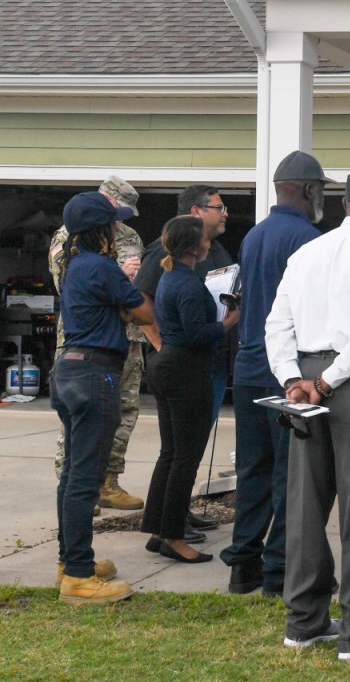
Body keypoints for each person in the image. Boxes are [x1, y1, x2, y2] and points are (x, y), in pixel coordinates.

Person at [265, 166, 350, 662]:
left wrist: (293, 380)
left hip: (304, 379)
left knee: (305, 504)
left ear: (344, 201)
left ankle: (303, 622)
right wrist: (325, 382)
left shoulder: (307, 252)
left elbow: (276, 325)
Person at [221, 151, 332, 597]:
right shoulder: (309, 238)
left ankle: (242, 564)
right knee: (292, 475)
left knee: (253, 470)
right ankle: (278, 572)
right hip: (287, 372)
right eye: (321, 190)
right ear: (309, 190)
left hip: (248, 367)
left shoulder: (254, 236)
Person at [51, 191, 154, 604]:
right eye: (113, 223)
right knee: (86, 481)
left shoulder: (74, 264)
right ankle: (77, 577)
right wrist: (130, 295)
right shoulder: (102, 266)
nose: (118, 229)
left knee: (73, 475)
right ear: (101, 230)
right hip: (96, 374)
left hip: (69, 369)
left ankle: (70, 560)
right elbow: (144, 312)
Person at [135, 184, 233, 535]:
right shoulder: (161, 253)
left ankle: (172, 515)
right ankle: (169, 524)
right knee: (181, 450)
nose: (224, 214)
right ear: (195, 212)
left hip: (207, 362)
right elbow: (141, 301)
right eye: (218, 207)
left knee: (187, 448)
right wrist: (166, 345)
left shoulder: (215, 251)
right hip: (184, 363)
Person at [48, 175, 147, 512]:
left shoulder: (130, 236)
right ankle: (75, 483)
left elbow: (139, 290)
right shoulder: (69, 237)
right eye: (117, 211)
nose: (121, 219)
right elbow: (70, 285)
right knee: (83, 415)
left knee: (124, 409)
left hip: (126, 336)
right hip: (86, 336)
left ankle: (108, 481)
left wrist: (131, 279)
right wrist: (119, 274)